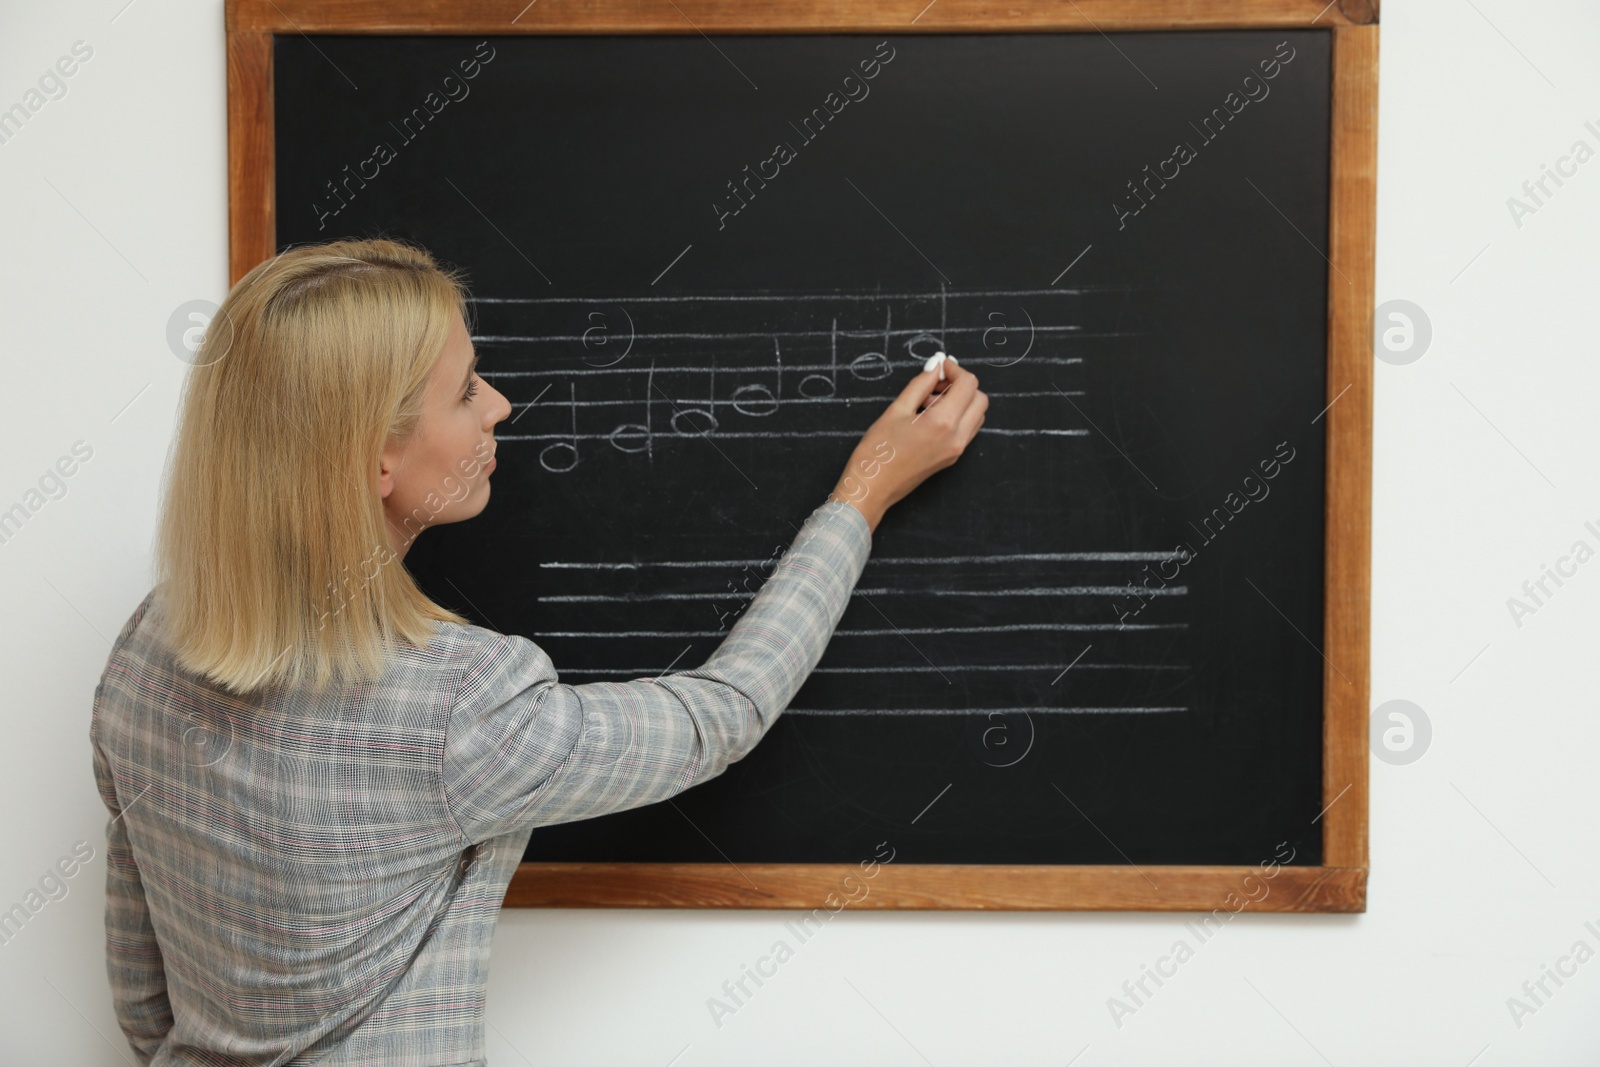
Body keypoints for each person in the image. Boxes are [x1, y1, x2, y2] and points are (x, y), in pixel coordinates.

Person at [90, 238, 987, 1064]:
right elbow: (726, 712)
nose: (501, 406)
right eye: (466, 389)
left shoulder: (150, 645)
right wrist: (864, 492)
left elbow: (139, 990)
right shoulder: (458, 707)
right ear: (376, 463)